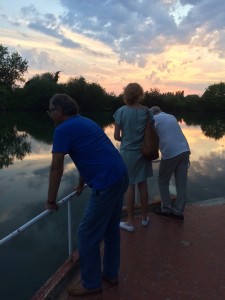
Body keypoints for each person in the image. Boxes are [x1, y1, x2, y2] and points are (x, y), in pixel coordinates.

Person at [45, 93, 128, 297]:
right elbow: (89, 154)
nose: (49, 113)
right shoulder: (86, 122)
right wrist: (82, 182)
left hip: (106, 182)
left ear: (60, 111)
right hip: (120, 175)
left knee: (86, 235)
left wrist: (50, 200)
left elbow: (56, 168)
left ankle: (91, 283)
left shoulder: (62, 129)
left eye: (50, 109)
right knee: (110, 230)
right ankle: (110, 274)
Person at [113, 83, 153, 232]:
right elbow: (150, 133)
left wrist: (127, 139)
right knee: (143, 185)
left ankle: (130, 221)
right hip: (143, 152)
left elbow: (117, 136)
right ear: (140, 95)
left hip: (127, 153)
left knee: (129, 186)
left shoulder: (121, 112)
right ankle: (144, 218)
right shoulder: (147, 112)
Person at [149, 106, 190, 221]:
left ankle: (166, 209)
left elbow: (151, 138)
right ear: (160, 111)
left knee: (163, 181)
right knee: (181, 184)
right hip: (185, 150)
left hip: (171, 152)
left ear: (152, 114)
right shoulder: (171, 117)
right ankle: (178, 212)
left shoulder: (153, 120)